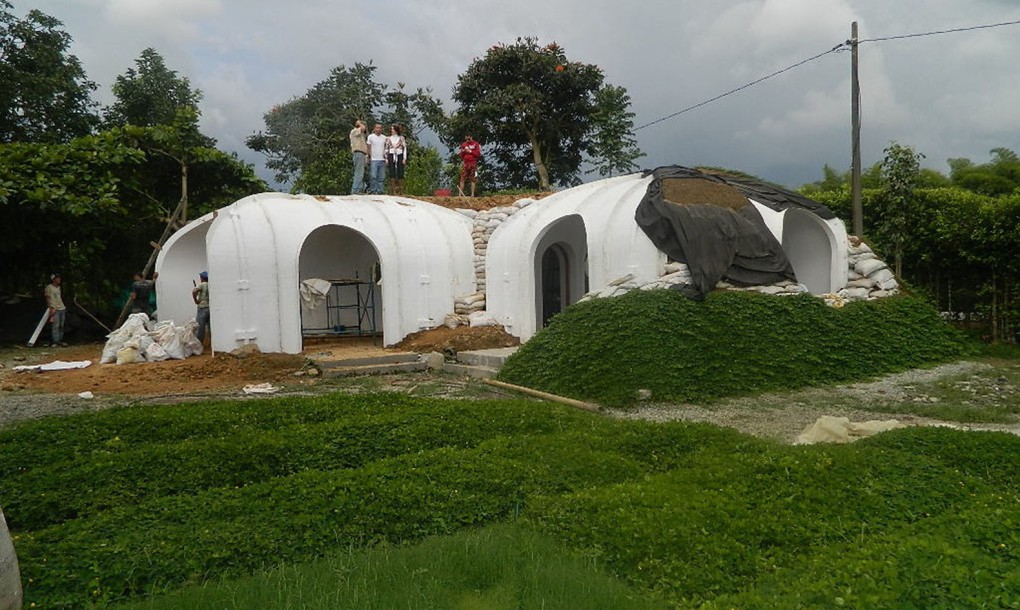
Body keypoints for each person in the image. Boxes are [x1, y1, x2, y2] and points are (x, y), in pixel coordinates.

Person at [44, 273, 67, 347]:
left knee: (61, 325)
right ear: (53, 279)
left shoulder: (59, 288)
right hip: (55, 308)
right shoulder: (49, 287)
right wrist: (51, 308)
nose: (59, 280)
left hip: (62, 307)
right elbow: (48, 298)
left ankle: (60, 340)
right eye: (57, 278)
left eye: (59, 278)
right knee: (55, 325)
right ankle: (55, 341)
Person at [385, 124, 407, 195]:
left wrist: (404, 158)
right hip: (391, 155)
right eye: (391, 129)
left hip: (399, 155)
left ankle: (401, 191)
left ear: (396, 130)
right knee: (392, 172)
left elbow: (404, 148)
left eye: (393, 129)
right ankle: (392, 190)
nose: (391, 130)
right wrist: (386, 158)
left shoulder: (401, 138)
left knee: (400, 172)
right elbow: (386, 148)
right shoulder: (388, 138)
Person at [366, 123, 387, 195]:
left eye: (380, 128)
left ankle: (380, 190)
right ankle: (373, 190)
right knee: (373, 176)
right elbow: (368, 146)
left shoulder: (384, 138)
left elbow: (387, 147)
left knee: (381, 177)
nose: (379, 129)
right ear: (374, 129)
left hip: (382, 159)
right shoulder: (371, 137)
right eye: (377, 128)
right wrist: (368, 156)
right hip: (374, 159)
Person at [349, 120, 368, 194]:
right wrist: (360, 123)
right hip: (358, 153)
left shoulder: (361, 134)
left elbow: (364, 130)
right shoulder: (354, 131)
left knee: (361, 173)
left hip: (362, 154)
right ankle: (355, 190)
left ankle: (359, 189)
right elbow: (363, 128)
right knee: (359, 172)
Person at [192, 271, 210, 346]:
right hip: (209, 308)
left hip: (202, 308)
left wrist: (196, 300)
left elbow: (194, 291)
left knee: (200, 328)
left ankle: (199, 345)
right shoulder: (210, 284)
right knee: (210, 327)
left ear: (202, 278)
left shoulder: (202, 284)